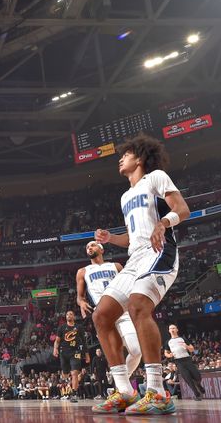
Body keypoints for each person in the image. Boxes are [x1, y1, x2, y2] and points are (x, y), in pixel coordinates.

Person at [91, 134, 190, 415]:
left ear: (141, 158)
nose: (121, 158)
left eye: (127, 153)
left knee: (137, 306)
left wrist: (163, 223)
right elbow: (133, 239)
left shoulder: (156, 177)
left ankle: (157, 392)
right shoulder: (125, 196)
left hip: (159, 251)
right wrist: (111, 238)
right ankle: (124, 391)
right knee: (102, 315)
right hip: (135, 256)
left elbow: (182, 210)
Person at [76, 241, 142, 378]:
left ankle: (122, 380)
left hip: (122, 310)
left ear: (101, 249)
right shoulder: (82, 271)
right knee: (115, 354)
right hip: (103, 314)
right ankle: (121, 386)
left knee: (136, 351)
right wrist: (82, 303)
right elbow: (80, 297)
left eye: (92, 245)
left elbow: (129, 285)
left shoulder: (116, 266)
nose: (89, 248)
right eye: (87, 247)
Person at [53, 310, 89, 402]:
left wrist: (87, 354)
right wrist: (55, 349)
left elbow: (84, 342)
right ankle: (67, 382)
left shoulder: (79, 327)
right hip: (63, 352)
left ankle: (74, 393)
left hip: (75, 352)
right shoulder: (62, 328)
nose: (69, 315)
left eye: (71, 314)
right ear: (66, 317)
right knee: (65, 373)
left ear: (74, 317)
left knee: (75, 373)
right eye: (67, 314)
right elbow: (57, 341)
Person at [163, 324, 205, 401]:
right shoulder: (168, 342)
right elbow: (165, 353)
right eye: (170, 328)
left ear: (177, 330)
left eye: (173, 328)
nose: (172, 329)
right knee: (188, 379)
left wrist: (187, 347)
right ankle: (197, 394)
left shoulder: (182, 338)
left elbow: (192, 349)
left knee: (197, 376)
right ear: (169, 331)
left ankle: (198, 385)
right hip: (178, 362)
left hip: (187, 359)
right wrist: (169, 355)